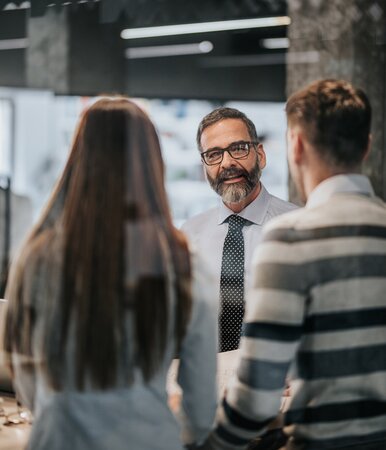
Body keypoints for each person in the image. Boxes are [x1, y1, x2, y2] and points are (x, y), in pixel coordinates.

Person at [0, 98, 218, 450]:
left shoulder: (37, 255)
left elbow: (24, 376)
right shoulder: (184, 265)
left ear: (77, 161)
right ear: (152, 165)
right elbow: (202, 410)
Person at [206, 79, 386, 450]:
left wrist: (210, 443)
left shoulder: (291, 236)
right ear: (367, 146)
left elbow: (255, 399)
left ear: (296, 147)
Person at [182, 107, 296, 352]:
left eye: (238, 148)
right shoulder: (189, 235)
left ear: (260, 155)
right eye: (213, 154)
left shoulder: (300, 227)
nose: (227, 163)